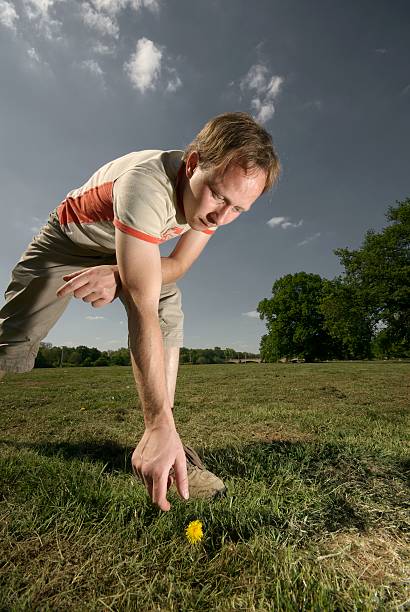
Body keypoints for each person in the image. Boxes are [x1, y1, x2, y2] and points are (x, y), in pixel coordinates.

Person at [0, 112, 280, 511]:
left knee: (168, 298)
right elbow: (140, 305)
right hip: (68, 243)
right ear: (193, 163)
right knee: (11, 345)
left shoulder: (216, 206)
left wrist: (120, 271)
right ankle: (160, 430)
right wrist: (131, 276)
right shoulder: (146, 184)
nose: (222, 216)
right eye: (218, 196)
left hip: (127, 249)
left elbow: (177, 267)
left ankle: (167, 447)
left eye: (239, 209)